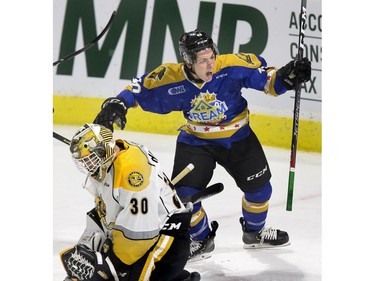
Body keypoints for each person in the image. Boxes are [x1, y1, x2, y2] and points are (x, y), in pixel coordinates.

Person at [92, 29, 311, 261]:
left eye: (212, 57)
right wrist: (116, 105)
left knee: (260, 190)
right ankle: (202, 239)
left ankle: (254, 233)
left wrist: (289, 76)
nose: (210, 65)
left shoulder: (232, 66)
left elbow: (270, 82)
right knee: (184, 197)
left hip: (239, 138)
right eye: (203, 61)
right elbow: (136, 90)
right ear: (188, 61)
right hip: (195, 141)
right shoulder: (170, 77)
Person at [59, 123, 200, 281]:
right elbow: (104, 212)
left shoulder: (132, 173)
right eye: (84, 161)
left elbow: (140, 234)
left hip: (165, 238)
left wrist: (111, 266)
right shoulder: (107, 161)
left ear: (103, 150)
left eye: (90, 159)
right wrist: (87, 248)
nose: (87, 165)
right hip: (140, 237)